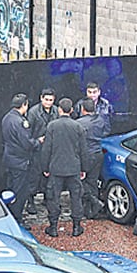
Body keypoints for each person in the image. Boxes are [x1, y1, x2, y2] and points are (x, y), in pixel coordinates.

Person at [40, 97, 88, 238]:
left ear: (59, 109)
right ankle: (76, 227)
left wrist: (45, 167)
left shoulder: (52, 126)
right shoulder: (78, 126)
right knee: (76, 197)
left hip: (56, 167)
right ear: (71, 110)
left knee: (53, 197)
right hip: (73, 167)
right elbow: (83, 150)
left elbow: (46, 149)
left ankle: (53, 227)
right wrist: (84, 168)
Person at [1, 93, 41, 222]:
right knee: (20, 193)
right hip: (21, 162)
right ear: (24, 105)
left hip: (10, 159)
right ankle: (16, 219)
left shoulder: (6, 118)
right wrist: (38, 142)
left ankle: (10, 216)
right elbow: (27, 143)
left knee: (11, 190)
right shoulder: (21, 122)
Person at [25, 87, 58, 215]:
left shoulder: (56, 111)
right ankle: (30, 201)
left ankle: (47, 197)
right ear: (41, 98)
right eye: (46, 99)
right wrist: (37, 140)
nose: (48, 102)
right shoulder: (33, 112)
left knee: (50, 176)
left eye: (51, 100)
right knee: (34, 176)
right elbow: (28, 131)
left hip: (52, 149)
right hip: (37, 149)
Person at [75, 98, 106, 219]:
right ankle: (92, 211)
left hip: (86, 155)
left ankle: (93, 202)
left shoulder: (79, 123)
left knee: (81, 181)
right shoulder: (101, 120)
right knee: (93, 181)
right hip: (98, 153)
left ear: (83, 109)